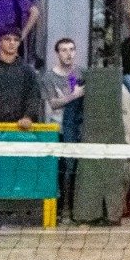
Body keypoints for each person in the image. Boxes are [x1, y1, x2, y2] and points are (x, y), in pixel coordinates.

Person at [40, 37, 86, 208]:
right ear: (57, 54)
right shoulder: (49, 77)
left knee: (76, 168)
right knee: (61, 169)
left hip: (78, 128)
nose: (69, 54)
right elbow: (53, 103)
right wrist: (74, 95)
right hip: (58, 128)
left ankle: (74, 206)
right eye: (64, 50)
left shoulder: (82, 73)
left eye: (72, 49)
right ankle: (59, 208)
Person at [0, 30, 42, 131]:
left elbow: (34, 96)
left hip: (20, 129)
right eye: (7, 39)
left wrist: (28, 117)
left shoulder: (27, 70)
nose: (12, 43)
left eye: (16, 40)